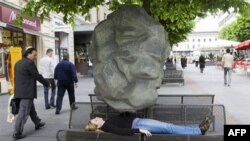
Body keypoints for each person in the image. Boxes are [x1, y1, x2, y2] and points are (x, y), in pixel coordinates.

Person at [13, 48, 49, 140]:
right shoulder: (29, 63)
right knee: (23, 112)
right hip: (27, 92)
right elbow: (36, 75)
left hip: (19, 91)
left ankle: (37, 122)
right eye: (34, 55)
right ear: (28, 54)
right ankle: (17, 133)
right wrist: (47, 83)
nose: (36, 57)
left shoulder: (18, 63)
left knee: (31, 109)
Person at [85, 114, 211, 136]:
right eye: (94, 119)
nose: (96, 118)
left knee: (169, 126)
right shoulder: (106, 126)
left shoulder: (106, 123)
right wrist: (139, 130)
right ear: (96, 125)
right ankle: (198, 131)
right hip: (140, 124)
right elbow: (120, 131)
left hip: (139, 121)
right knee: (168, 128)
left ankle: (196, 128)